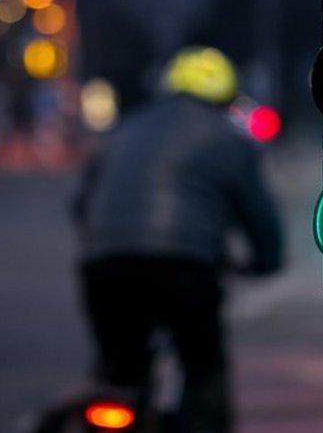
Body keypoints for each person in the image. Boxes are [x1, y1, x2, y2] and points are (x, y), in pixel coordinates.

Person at [72, 47, 284, 432]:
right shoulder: (229, 139)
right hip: (187, 268)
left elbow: (81, 207)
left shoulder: (125, 129)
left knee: (118, 370)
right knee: (203, 365)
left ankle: (111, 407)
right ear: (225, 97)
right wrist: (266, 261)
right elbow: (259, 216)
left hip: (106, 267)